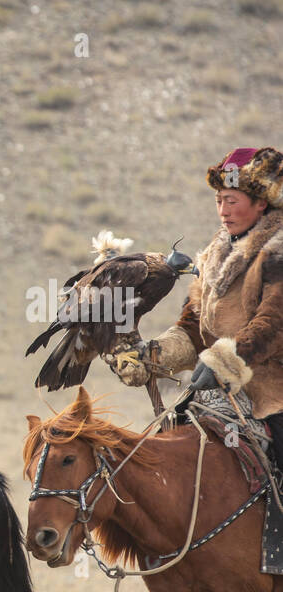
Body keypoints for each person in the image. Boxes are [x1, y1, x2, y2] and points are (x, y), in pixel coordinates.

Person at [113, 147, 283, 461]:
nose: (223, 211)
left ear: (261, 202)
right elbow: (193, 325)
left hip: (272, 397)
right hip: (215, 396)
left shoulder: (278, 253)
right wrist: (153, 357)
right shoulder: (214, 256)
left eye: (231, 201)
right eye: (219, 201)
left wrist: (224, 359)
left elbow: (271, 326)